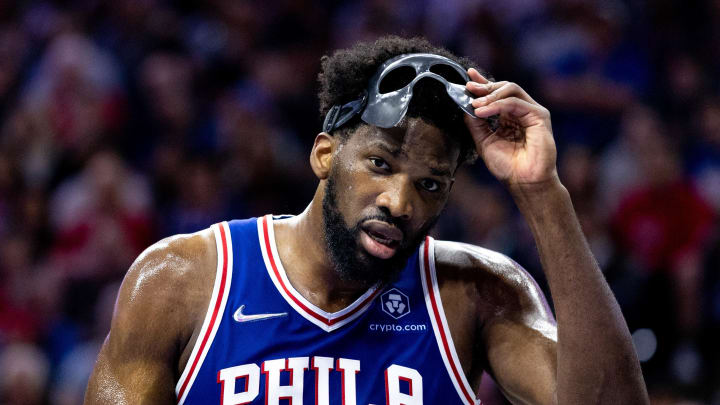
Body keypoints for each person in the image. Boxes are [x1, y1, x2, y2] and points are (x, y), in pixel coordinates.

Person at [84, 36, 649, 404]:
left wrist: (541, 192)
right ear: (326, 155)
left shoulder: (479, 292)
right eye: (380, 164)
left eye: (430, 184)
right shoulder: (180, 281)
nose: (400, 202)